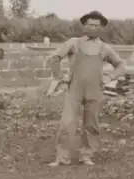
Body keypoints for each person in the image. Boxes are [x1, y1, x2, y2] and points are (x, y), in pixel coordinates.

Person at [46, 10, 127, 166]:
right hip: (74, 89)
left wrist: (109, 77)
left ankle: (86, 156)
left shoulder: (105, 48)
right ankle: (62, 158)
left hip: (95, 90)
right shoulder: (73, 43)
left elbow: (121, 66)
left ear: (101, 28)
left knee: (91, 124)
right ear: (84, 26)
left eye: (97, 25)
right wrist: (59, 77)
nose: (93, 28)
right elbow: (54, 58)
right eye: (90, 25)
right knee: (67, 123)